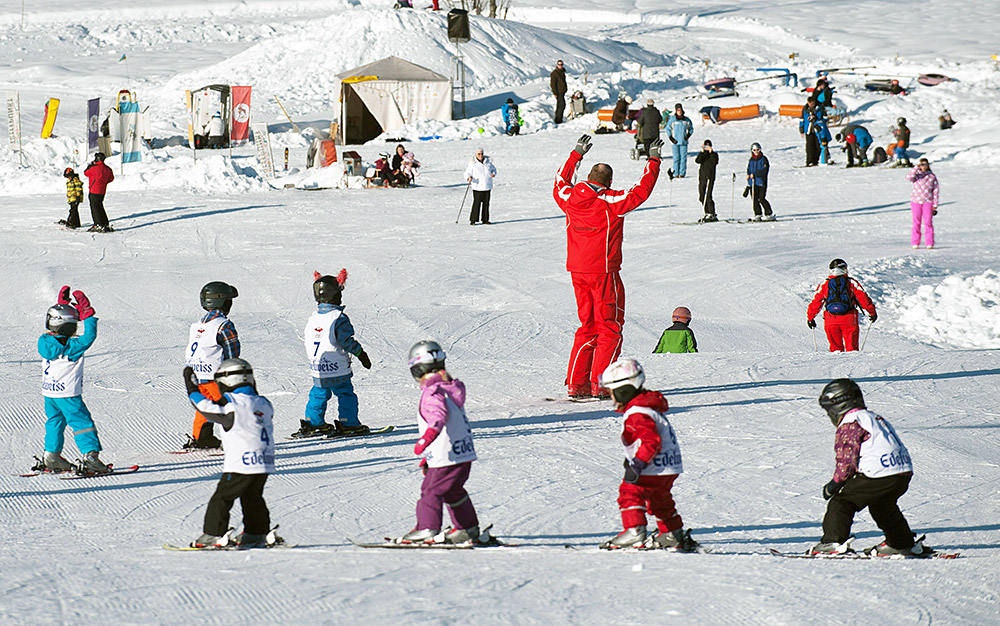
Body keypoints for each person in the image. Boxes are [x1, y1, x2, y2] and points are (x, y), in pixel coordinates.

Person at [553, 134, 662, 399]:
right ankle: (600, 384)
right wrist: (654, 160)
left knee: (587, 326)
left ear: (589, 177)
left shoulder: (569, 197)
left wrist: (575, 154)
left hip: (577, 271)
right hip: (603, 271)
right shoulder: (610, 201)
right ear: (609, 182)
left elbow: (560, 182)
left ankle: (576, 384)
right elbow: (640, 191)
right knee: (610, 327)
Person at [811, 379, 930, 557]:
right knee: (883, 506)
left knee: (842, 502)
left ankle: (832, 542)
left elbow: (847, 458)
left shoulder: (851, 422)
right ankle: (900, 543)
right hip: (901, 470)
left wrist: (836, 483)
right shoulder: (872, 417)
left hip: (878, 472)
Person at [598, 359, 699, 551]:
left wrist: (637, 465)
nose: (612, 399)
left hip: (652, 467)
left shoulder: (638, 413)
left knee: (630, 493)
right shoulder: (649, 408)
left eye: (612, 393)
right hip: (668, 466)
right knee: (660, 500)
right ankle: (672, 533)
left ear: (624, 391)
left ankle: (634, 531)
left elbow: (650, 441)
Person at [393, 341, 486, 545]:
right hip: (462, 454)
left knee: (431, 490)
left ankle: (427, 528)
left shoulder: (432, 392)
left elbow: (437, 418)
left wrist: (426, 440)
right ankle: (467, 528)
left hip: (448, 457)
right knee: (453, 491)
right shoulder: (449, 389)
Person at [184, 358, 278, 548]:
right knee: (252, 496)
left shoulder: (233, 404)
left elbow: (206, 408)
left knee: (222, 498)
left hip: (242, 462)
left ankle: (213, 534)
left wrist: (191, 387)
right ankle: (256, 532)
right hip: (264, 461)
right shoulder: (263, 403)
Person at [37, 286, 109, 474]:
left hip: (50, 394)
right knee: (82, 423)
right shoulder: (72, 347)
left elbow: (57, 328)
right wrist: (88, 313)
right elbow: (89, 336)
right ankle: (91, 458)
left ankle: (51, 457)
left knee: (55, 422)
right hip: (67, 394)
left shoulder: (45, 341)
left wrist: (62, 306)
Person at [294, 270, 372, 438]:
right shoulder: (338, 318)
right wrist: (361, 353)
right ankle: (348, 422)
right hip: (336, 367)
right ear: (335, 296)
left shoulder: (313, 318)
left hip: (318, 367)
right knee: (345, 393)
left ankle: (313, 423)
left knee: (318, 393)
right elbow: (346, 341)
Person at [183, 281, 241, 449]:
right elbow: (232, 352)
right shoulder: (223, 325)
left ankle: (202, 437)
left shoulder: (197, 326)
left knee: (205, 405)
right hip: (215, 376)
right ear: (223, 301)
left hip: (198, 375)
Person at [807, 259, 877, 352]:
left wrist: (810, 318)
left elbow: (816, 302)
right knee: (852, 350)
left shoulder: (825, 284)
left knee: (835, 350)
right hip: (849, 319)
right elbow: (864, 299)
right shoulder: (851, 283)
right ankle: (852, 366)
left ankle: (837, 365)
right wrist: (872, 313)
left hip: (830, 320)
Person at [906, 158, 940, 249]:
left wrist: (935, 205)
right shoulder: (917, 176)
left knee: (928, 222)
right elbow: (909, 177)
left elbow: (935, 191)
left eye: (925, 164)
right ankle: (915, 242)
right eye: (922, 164)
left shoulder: (932, 176)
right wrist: (916, 168)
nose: (924, 166)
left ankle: (929, 242)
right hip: (916, 201)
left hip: (928, 202)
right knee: (916, 222)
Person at [464, 147, 497, 225]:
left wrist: (493, 173)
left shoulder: (488, 162)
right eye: (479, 154)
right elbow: (467, 173)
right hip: (478, 187)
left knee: (486, 204)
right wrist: (468, 178)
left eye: (482, 154)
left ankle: (485, 219)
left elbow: (494, 169)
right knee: (476, 204)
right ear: (476, 154)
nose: (481, 155)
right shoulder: (473, 164)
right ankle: (473, 220)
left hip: (487, 186)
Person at [83, 152, 114, 233]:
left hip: (94, 190)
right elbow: (111, 178)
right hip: (102, 191)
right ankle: (105, 223)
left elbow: (86, 173)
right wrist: (103, 182)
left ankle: (98, 224)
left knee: (95, 208)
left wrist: (91, 165)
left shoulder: (94, 168)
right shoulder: (108, 169)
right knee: (100, 206)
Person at [746, 143, 774, 221]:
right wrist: (749, 176)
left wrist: (755, 174)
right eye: (754, 150)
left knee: (761, 198)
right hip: (753, 182)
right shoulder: (751, 160)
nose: (756, 152)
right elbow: (749, 169)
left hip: (761, 182)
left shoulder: (763, 159)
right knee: (754, 199)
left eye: (758, 150)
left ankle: (768, 213)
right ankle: (758, 213)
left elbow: (764, 170)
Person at [663, 103, 693, 178]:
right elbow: (667, 129)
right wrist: (671, 138)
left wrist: (687, 135)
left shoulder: (686, 120)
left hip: (683, 142)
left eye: (680, 110)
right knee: (676, 158)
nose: (679, 111)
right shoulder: (672, 120)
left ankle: (682, 173)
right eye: (677, 110)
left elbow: (691, 129)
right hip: (675, 142)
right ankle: (676, 173)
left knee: (683, 158)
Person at [799, 98, 830, 166]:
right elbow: (802, 120)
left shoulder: (820, 108)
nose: (811, 105)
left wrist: (818, 120)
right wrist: (801, 130)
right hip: (808, 130)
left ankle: (816, 160)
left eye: (812, 103)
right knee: (809, 146)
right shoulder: (805, 109)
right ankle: (809, 161)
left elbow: (825, 118)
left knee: (818, 146)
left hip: (818, 130)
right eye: (810, 104)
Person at [695, 139, 718, 222]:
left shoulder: (714, 155)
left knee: (708, 196)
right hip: (702, 177)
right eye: (705, 146)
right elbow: (697, 160)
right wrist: (702, 151)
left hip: (710, 178)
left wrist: (711, 152)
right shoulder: (703, 155)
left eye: (708, 146)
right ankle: (706, 212)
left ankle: (711, 213)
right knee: (702, 196)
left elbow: (714, 162)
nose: (707, 148)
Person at [550, 60, 567, 124]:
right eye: (559, 64)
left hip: (562, 92)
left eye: (561, 64)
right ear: (557, 65)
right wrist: (555, 93)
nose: (560, 66)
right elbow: (553, 84)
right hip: (558, 92)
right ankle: (558, 120)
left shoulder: (562, 72)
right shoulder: (554, 73)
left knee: (560, 105)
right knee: (562, 105)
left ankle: (559, 118)